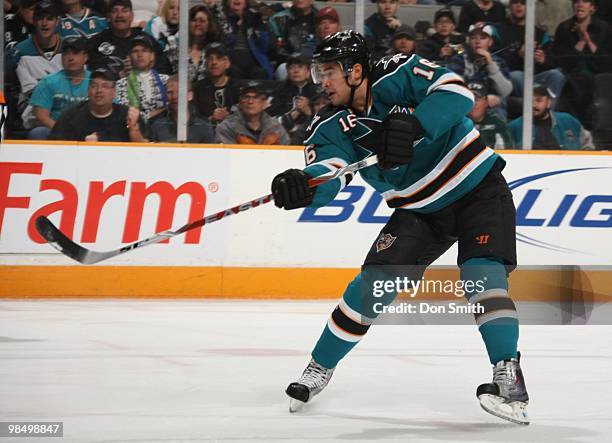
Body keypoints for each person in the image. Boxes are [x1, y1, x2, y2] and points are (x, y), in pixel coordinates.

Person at [270, 31, 529, 425]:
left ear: (356, 71)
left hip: (478, 187)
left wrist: (416, 126)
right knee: (373, 284)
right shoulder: (330, 126)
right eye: (318, 72)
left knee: (481, 275)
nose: (321, 82)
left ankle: (508, 376)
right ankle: (319, 366)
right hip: (420, 210)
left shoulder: (398, 72)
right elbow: (332, 171)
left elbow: (457, 92)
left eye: (328, 72)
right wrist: (305, 187)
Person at [552, 0, 612, 129]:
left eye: (585, 1)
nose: (580, 5)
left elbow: (605, 61)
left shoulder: (603, 28)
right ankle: (580, 126)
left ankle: (580, 125)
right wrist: (581, 42)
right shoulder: (564, 28)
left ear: (592, 8)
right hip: (570, 72)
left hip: (596, 71)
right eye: (577, 2)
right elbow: (561, 61)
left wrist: (587, 39)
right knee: (575, 80)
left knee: (584, 79)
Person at [50, 67, 146, 142]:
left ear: (114, 92)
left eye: (105, 86)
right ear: (88, 90)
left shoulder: (127, 115)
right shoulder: (71, 115)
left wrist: (133, 129)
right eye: (94, 85)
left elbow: (147, 149)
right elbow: (56, 147)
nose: (99, 90)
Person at [496, 0, 565, 103]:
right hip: (512, 77)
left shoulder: (540, 33)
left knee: (557, 75)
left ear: (530, 7)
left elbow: (553, 61)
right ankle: (536, 106)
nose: (519, 6)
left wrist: (543, 60)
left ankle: (547, 112)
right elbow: (496, 61)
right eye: (515, 2)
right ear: (510, 6)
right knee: (516, 75)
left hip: (536, 77)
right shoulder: (499, 30)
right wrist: (518, 55)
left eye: (523, 3)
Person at [26, 36, 91, 140]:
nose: (70, 58)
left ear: (85, 57)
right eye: (66, 53)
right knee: (38, 133)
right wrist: (63, 131)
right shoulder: (48, 81)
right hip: (56, 131)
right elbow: (41, 115)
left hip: (89, 133)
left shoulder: (96, 82)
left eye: (75, 53)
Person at [88, 0, 170, 76]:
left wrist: (143, 70)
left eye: (124, 11)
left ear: (132, 16)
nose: (119, 15)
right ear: (109, 16)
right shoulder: (98, 41)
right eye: (114, 11)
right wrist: (118, 75)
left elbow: (165, 66)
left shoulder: (145, 39)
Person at [446, 23, 513, 112]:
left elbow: (505, 91)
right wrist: (476, 99)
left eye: (483, 38)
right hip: (465, 104)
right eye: (474, 38)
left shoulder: (498, 61)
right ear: (468, 41)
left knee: (500, 106)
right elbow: (452, 87)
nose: (478, 41)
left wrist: (490, 64)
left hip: (490, 107)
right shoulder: (459, 59)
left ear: (490, 42)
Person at [508, 84, 594, 149]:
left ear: (549, 103)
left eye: (539, 100)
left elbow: (587, 144)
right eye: (529, 100)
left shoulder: (568, 120)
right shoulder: (514, 127)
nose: (533, 105)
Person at [211, 0, 275, 80]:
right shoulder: (222, 19)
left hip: (254, 62)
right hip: (231, 62)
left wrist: (259, 25)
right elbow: (220, 38)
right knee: (232, 72)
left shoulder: (255, 17)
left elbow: (266, 46)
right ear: (227, 2)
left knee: (261, 73)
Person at [115, 35, 169, 126]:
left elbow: (170, 107)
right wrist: (156, 113)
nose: (140, 55)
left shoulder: (166, 80)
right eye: (135, 51)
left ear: (152, 56)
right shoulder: (121, 84)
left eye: (144, 50)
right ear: (130, 57)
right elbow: (126, 113)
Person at [267, 53, 319, 144]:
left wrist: (309, 112)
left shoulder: (318, 91)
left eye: (300, 67)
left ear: (308, 70)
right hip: (281, 138)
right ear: (287, 71)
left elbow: (325, 120)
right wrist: (294, 114)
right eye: (291, 67)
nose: (295, 71)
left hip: (310, 138)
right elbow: (269, 121)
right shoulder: (279, 91)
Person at [215, 82, 290, 145]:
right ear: (240, 103)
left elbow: (286, 155)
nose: (250, 102)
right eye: (246, 97)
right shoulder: (226, 127)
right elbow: (226, 156)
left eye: (256, 97)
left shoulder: (276, 128)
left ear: (264, 103)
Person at [149, 76, 215, 143]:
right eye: (170, 92)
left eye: (179, 92)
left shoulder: (203, 127)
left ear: (190, 95)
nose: (174, 96)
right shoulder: (158, 126)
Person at [165, 5, 220, 83]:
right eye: (194, 20)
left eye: (202, 21)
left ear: (209, 24)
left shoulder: (215, 49)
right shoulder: (175, 50)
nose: (197, 24)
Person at [193, 42, 242, 126]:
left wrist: (229, 117)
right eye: (210, 58)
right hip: (206, 134)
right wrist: (211, 119)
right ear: (205, 63)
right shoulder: (198, 88)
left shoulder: (238, 87)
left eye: (219, 58)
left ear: (227, 63)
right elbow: (193, 117)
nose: (214, 62)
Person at [467, 81, 514, 148]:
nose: (473, 103)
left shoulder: (497, 122)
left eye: (477, 99)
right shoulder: (457, 122)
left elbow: (509, 149)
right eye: (470, 99)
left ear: (486, 102)